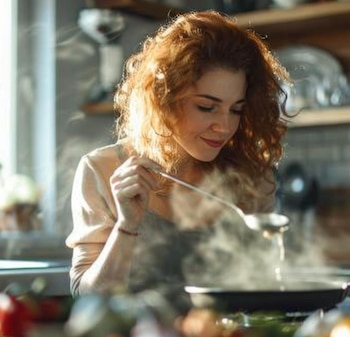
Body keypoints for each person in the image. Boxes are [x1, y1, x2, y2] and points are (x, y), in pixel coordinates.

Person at [65, 10, 291, 310]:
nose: (224, 126)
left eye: (235, 110)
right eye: (207, 107)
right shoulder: (102, 169)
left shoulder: (252, 176)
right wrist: (127, 225)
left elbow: (266, 287)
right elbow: (87, 298)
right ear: (164, 99)